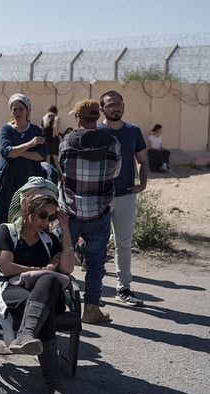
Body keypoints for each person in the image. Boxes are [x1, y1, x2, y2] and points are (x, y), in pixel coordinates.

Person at [0, 176, 74, 394]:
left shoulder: (49, 239)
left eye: (51, 217)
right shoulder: (7, 232)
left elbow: (66, 268)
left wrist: (65, 228)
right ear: (29, 209)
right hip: (12, 292)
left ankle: (26, 335)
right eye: (42, 215)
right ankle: (52, 383)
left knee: (48, 281)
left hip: (41, 294)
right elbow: (6, 267)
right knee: (44, 299)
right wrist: (40, 269)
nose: (46, 222)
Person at [59, 99, 121, 324]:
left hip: (70, 214)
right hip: (99, 214)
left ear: (78, 117)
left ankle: (55, 305)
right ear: (98, 116)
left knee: (59, 259)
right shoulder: (113, 143)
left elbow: (62, 171)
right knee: (96, 264)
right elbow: (116, 172)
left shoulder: (67, 142)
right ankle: (91, 309)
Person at [98, 90, 149, 307]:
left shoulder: (133, 131)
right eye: (110, 105)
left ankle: (124, 288)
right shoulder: (96, 131)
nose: (115, 108)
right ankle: (95, 289)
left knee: (124, 243)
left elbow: (143, 160)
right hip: (101, 197)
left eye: (118, 104)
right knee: (97, 243)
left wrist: (143, 184)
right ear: (102, 109)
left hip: (127, 194)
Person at [0, 93, 47, 240]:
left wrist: (17, 151)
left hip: (29, 180)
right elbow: (6, 152)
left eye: (21, 109)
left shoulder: (36, 130)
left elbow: (41, 155)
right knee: (3, 216)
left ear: (27, 110)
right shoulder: (6, 130)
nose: (17, 112)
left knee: (27, 216)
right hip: (7, 180)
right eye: (14, 109)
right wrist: (30, 145)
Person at [42, 105, 61, 170]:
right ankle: (60, 175)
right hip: (53, 139)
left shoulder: (44, 117)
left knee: (47, 159)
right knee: (56, 159)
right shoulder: (56, 117)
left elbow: (43, 128)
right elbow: (56, 129)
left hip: (46, 139)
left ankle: (48, 175)